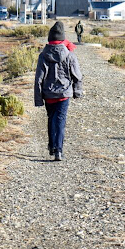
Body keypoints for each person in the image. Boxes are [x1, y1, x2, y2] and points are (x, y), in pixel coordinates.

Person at [34, 22, 83, 161]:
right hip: (64, 94)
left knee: (51, 119)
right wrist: (77, 92)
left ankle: (52, 146)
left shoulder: (43, 56)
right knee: (60, 120)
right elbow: (77, 76)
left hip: (48, 94)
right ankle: (58, 150)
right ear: (63, 39)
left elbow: (38, 79)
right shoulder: (70, 55)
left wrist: (38, 99)